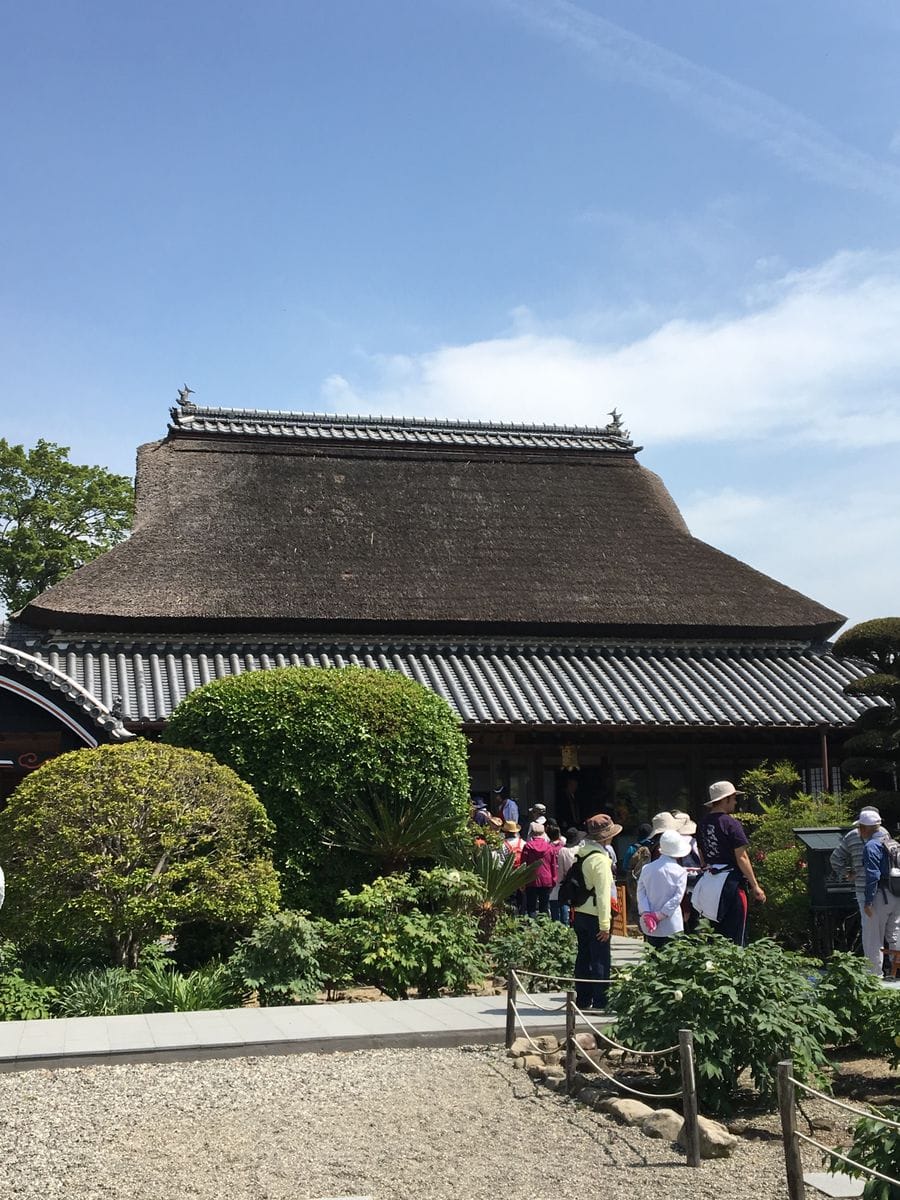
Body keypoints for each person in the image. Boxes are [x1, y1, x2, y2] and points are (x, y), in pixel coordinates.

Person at [830, 807, 900, 976]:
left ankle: (873, 976)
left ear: (863, 827)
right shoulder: (887, 837)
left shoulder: (867, 843)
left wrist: (847, 873)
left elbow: (872, 874)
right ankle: (896, 971)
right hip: (894, 891)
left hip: (873, 894)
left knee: (872, 938)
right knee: (895, 933)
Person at [694, 781, 766, 946]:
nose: (735, 802)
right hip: (731, 883)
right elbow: (742, 857)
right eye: (733, 798)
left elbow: (702, 854)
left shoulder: (702, 824)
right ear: (725, 799)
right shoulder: (730, 823)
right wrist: (755, 886)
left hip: (710, 881)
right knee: (736, 935)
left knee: (714, 932)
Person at [573, 813, 616, 1010]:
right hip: (595, 914)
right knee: (600, 959)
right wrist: (605, 925)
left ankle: (582, 999)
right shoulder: (600, 859)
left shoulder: (583, 853)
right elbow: (603, 895)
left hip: (580, 911)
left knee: (583, 957)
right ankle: (600, 1001)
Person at [636, 828, 692, 948]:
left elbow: (640, 892)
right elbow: (677, 898)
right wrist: (660, 915)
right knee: (672, 961)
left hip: (648, 922)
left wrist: (646, 913)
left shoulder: (647, 868)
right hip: (671, 923)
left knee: (652, 959)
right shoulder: (680, 872)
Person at [523, 821, 557, 916]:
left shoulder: (527, 847)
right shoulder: (549, 847)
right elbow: (553, 865)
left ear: (532, 833)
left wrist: (522, 881)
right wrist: (554, 880)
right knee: (544, 908)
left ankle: (532, 928)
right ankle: (544, 927)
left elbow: (524, 865)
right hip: (546, 879)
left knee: (531, 908)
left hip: (531, 879)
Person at [547, 820, 574, 924]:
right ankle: (565, 924)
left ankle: (555, 924)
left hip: (552, 878)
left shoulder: (548, 847)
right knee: (564, 902)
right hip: (563, 878)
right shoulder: (564, 846)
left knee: (553, 902)